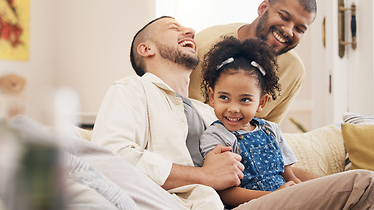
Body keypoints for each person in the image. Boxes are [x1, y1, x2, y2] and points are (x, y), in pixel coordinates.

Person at [91, 16, 374, 210]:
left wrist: (313, 185)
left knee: (361, 182)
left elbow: (270, 164)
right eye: (173, 27)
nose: (189, 31)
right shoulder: (132, 90)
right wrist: (204, 176)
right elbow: (110, 156)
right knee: (363, 184)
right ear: (146, 48)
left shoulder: (210, 112)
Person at [189, 0, 316, 125]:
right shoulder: (206, 44)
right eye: (284, 17)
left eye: (299, 29)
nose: (288, 30)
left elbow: (270, 130)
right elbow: (189, 114)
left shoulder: (294, 70)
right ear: (263, 8)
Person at [199, 36, 301, 207]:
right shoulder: (216, 137)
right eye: (224, 97)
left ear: (261, 102)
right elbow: (225, 193)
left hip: (284, 200)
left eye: (245, 100)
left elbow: (289, 176)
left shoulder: (271, 130)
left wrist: (302, 191)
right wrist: (274, 196)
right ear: (211, 97)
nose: (233, 108)